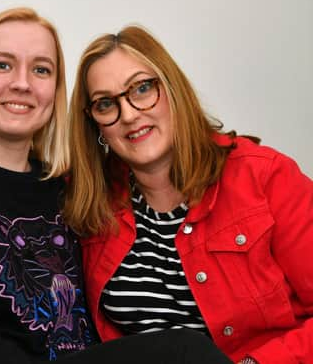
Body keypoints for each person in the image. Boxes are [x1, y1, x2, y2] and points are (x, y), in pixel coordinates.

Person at [0, 8, 232, 364]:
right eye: (2, 65)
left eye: (41, 70)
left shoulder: (68, 188)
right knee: (183, 351)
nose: (23, 83)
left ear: (56, 89)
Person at [63, 25, 313, 364]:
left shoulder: (266, 176)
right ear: (96, 125)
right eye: (106, 103)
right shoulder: (89, 201)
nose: (130, 114)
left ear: (171, 88)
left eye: (142, 88)